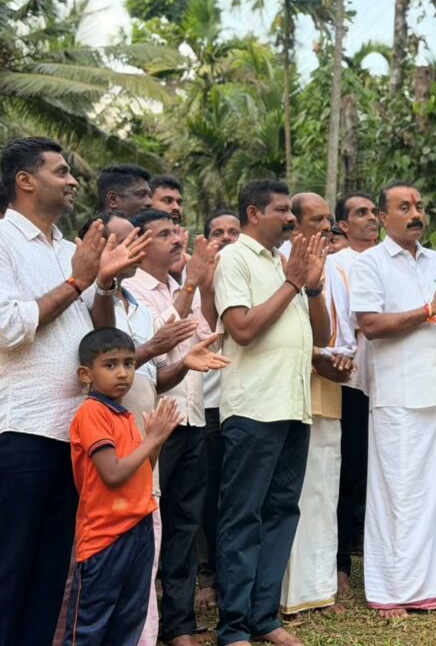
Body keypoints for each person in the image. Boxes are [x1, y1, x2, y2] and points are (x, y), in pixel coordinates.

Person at [0, 137, 149, 644]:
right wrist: (77, 282)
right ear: (25, 181)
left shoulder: (72, 251)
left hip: (75, 434)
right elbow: (8, 328)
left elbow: (102, 337)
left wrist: (102, 284)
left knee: (51, 575)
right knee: (10, 569)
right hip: (22, 430)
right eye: (61, 172)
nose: (73, 181)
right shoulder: (4, 241)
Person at [75, 212, 227, 646]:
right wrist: (187, 293)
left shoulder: (138, 303)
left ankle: (172, 626)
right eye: (133, 240)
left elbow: (150, 373)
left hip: (169, 421)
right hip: (139, 435)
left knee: (174, 527)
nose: (137, 248)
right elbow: (115, 354)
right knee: (130, 537)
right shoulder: (102, 294)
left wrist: (184, 362)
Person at [349, 181, 436, 618]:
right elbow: (370, 326)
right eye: (404, 207)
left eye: (419, 206)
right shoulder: (369, 264)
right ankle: (393, 591)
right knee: (400, 496)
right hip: (400, 396)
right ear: (383, 217)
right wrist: (430, 309)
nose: (415, 213)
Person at [214, 180, 331, 646]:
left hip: (293, 406)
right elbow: (242, 329)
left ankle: (264, 619)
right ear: (253, 213)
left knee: (282, 512)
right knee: (243, 517)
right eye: (282, 210)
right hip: (253, 408)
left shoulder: (287, 262)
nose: (290, 218)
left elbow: (321, 337)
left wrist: (312, 288)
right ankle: (234, 627)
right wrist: (293, 284)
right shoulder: (234, 258)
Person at [123, 209, 219, 646]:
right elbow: (156, 347)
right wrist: (192, 286)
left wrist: (201, 285)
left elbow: (205, 336)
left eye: (176, 232)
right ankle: (143, 621)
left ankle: (178, 625)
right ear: (142, 244)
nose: (177, 240)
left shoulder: (182, 286)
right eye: (164, 234)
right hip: (157, 422)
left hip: (193, 417)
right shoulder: (132, 290)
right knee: (153, 523)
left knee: (185, 524)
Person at [64, 327, 182, 646]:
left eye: (129, 363)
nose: (122, 373)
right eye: (111, 364)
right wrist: (152, 439)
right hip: (105, 537)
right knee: (90, 626)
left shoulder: (125, 416)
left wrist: (156, 441)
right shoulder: (92, 412)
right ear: (86, 374)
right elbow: (113, 474)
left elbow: (142, 471)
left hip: (138, 527)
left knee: (129, 619)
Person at [280, 192, 352, 616]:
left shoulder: (337, 268)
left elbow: (338, 335)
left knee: (324, 494)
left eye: (329, 220)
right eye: (318, 219)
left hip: (329, 391)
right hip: (287, 394)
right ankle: (285, 594)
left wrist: (341, 357)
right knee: (290, 496)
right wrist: (323, 354)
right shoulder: (280, 263)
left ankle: (318, 591)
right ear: (294, 223)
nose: (328, 227)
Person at [324, 191, 379, 598]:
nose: (371, 218)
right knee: (349, 474)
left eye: (374, 211)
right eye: (361, 213)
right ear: (343, 225)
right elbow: (345, 321)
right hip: (352, 380)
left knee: (385, 474)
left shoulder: (391, 260)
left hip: (394, 381)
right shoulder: (335, 264)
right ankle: (340, 564)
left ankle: (385, 563)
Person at [196, 209, 242, 611]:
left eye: (233, 232)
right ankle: (208, 576)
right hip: (206, 405)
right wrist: (206, 285)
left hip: (241, 403)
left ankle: (235, 578)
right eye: (218, 232)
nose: (226, 238)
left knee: (237, 496)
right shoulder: (190, 281)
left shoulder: (250, 276)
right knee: (207, 497)